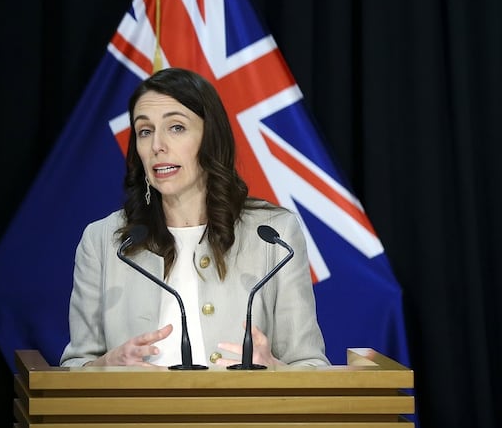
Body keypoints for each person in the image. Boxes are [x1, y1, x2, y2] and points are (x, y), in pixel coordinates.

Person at [59, 67, 328, 368]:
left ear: (210, 139)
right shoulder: (104, 242)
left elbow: (311, 366)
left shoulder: (274, 234)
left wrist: (275, 369)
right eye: (144, 131)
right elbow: (73, 368)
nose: (157, 146)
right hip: (137, 415)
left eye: (176, 128)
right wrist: (105, 366)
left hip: (244, 415)